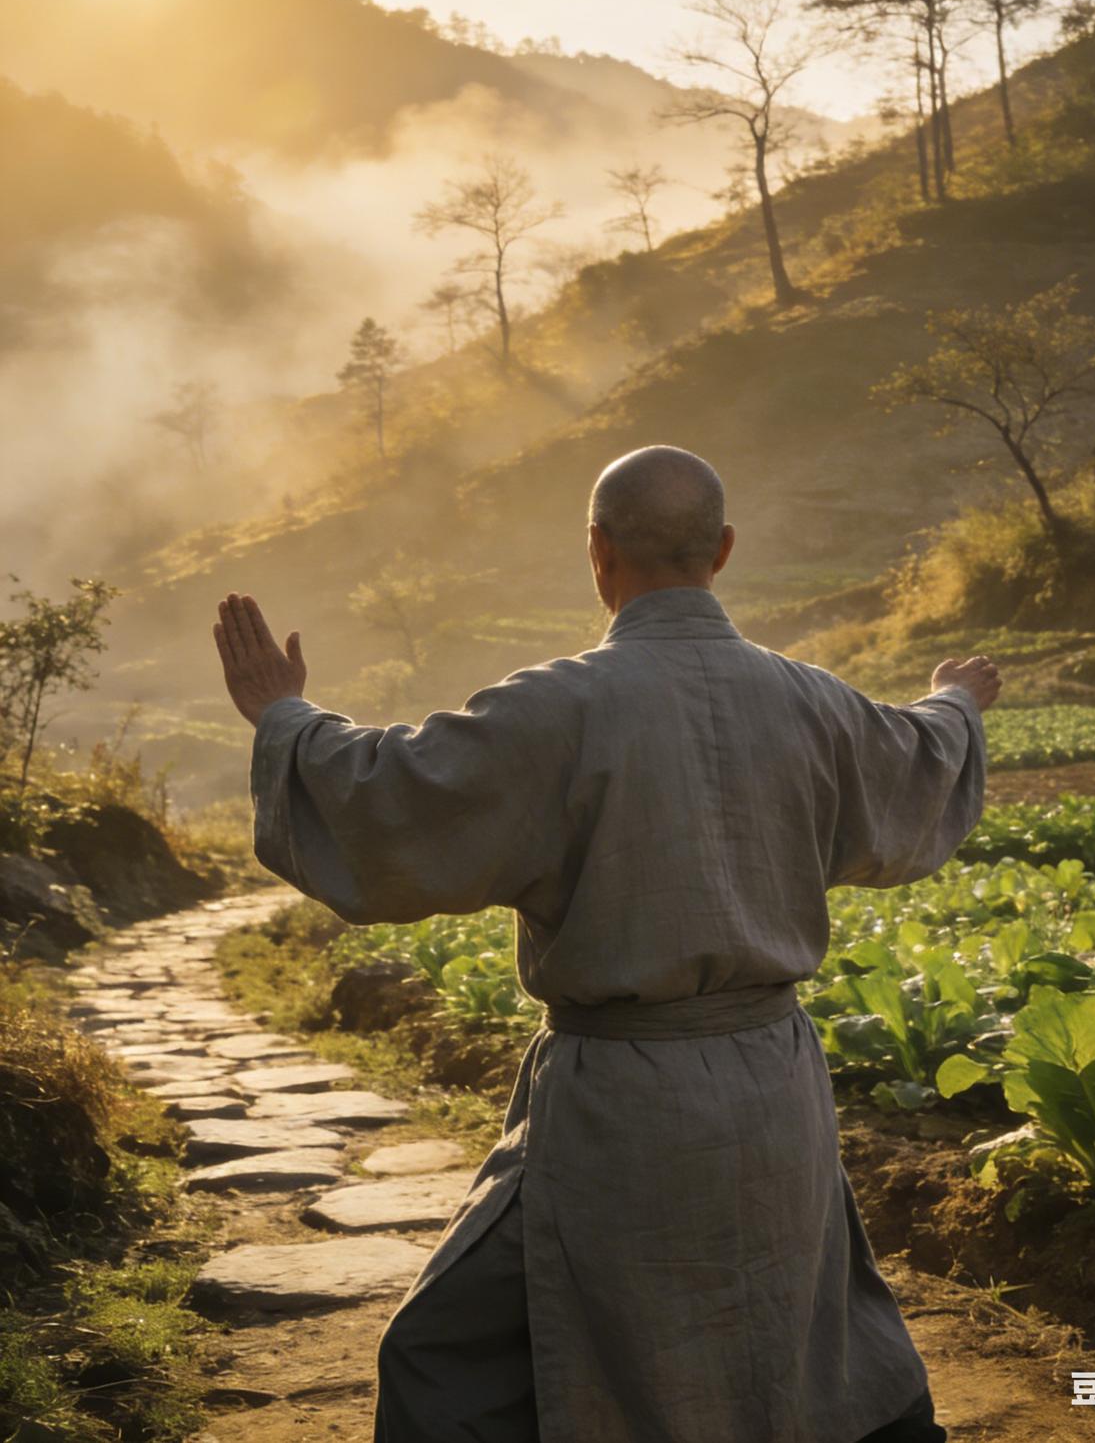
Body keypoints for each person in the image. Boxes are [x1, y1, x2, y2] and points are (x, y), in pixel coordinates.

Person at [213, 443, 1000, 1443]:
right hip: (775, 1095)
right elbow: (918, 755)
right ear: (721, 549)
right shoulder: (813, 700)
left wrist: (283, 714)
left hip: (621, 1106)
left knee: (442, 1357)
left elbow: (389, 794)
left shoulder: (555, 706)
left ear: (596, 549)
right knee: (778, 1347)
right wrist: (955, 699)